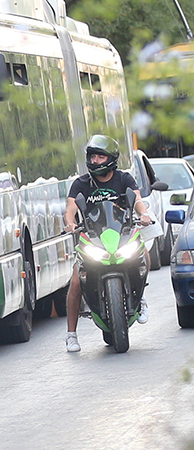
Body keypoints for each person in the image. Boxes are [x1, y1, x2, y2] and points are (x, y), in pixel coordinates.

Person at [63, 134, 152, 353]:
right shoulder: (81, 183)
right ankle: (71, 335)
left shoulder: (124, 179)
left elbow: (137, 200)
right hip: (92, 238)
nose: (95, 161)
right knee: (76, 282)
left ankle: (139, 300)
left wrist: (144, 214)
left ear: (111, 159)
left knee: (143, 255)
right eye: (92, 157)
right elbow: (70, 209)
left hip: (122, 234)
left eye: (100, 157)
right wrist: (70, 224)